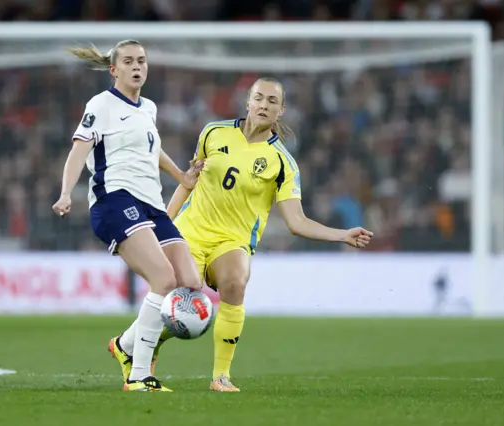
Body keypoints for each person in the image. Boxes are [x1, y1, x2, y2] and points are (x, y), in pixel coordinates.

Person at [153, 77, 373, 392]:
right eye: (259, 98)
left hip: (233, 240)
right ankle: (141, 349)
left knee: (235, 282)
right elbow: (189, 181)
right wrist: (164, 225)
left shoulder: (283, 162)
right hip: (191, 231)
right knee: (180, 303)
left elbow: (297, 222)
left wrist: (342, 235)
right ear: (248, 101)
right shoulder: (213, 132)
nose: (264, 105)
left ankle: (220, 377)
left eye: (272, 101)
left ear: (280, 111)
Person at [52, 40, 202, 392]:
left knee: (190, 285)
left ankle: (125, 345)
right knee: (163, 279)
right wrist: (65, 192)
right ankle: (139, 375)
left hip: (151, 202)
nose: (138, 67)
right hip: (115, 199)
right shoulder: (100, 105)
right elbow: (78, 152)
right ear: (114, 70)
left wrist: (181, 176)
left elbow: (153, 147)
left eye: (142, 61)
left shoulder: (147, 108)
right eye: (130, 62)